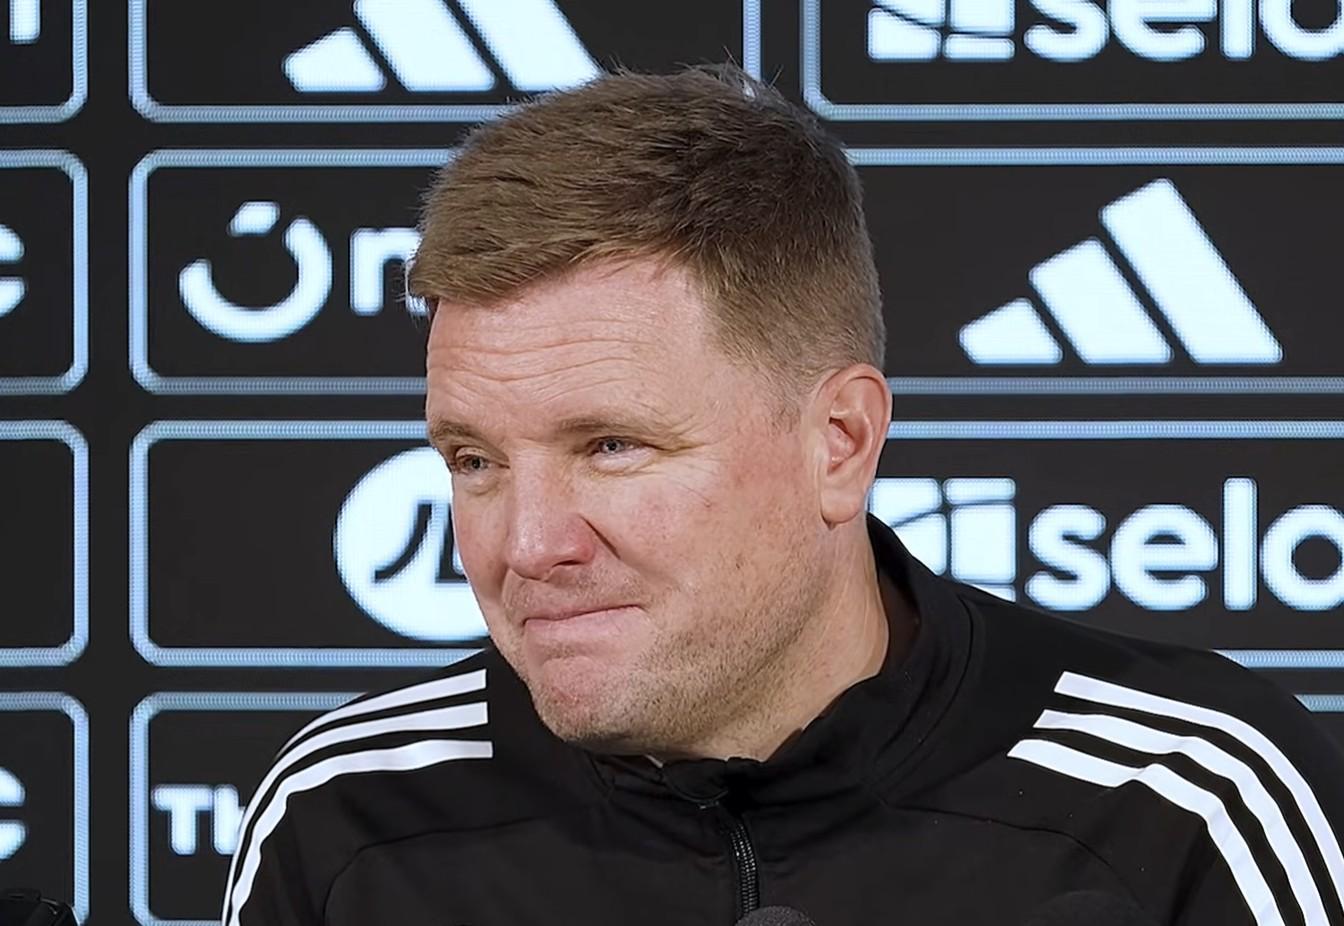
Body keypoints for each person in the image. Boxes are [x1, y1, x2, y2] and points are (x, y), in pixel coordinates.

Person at [220, 65, 1344, 926]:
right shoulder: (341, 815)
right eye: (474, 460)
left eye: (611, 445)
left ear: (839, 443)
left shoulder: (1186, 798)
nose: (528, 543)